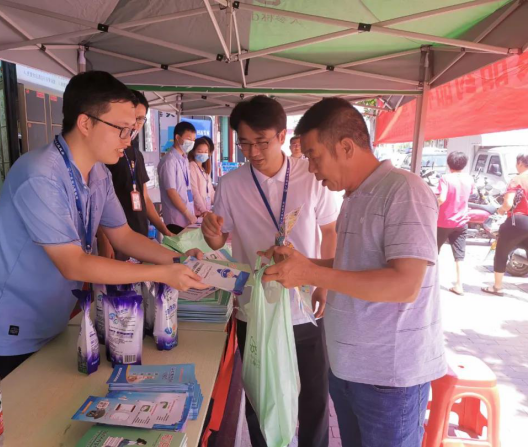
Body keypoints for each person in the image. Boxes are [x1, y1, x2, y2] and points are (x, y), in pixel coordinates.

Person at [0, 71, 205, 379]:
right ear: (86, 123)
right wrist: (160, 272)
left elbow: (123, 235)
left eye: (133, 129)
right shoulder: (41, 175)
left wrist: (178, 261)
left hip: (51, 318)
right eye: (122, 129)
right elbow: (73, 264)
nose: (128, 139)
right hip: (7, 328)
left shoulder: (99, 173)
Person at [259, 98, 446, 447]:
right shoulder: (354, 196)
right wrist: (303, 263)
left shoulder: (405, 191)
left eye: (314, 156)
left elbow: (405, 284)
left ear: (345, 147)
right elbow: (354, 267)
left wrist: (311, 275)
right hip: (349, 370)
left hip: (389, 380)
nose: (311, 168)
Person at [201, 95, 339, 447]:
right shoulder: (232, 184)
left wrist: (324, 285)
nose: (254, 152)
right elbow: (219, 240)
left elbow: (329, 231)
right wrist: (211, 233)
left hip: (304, 305)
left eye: (262, 142)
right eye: (245, 143)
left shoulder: (310, 176)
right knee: (259, 393)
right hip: (255, 308)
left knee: (313, 394)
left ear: (282, 136)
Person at [98, 90, 173, 260]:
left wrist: (164, 229)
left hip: (137, 236)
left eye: (141, 119)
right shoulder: (107, 154)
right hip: (116, 239)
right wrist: (104, 238)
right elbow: (97, 201)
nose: (136, 124)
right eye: (134, 118)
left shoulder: (137, 154)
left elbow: (145, 197)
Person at [482, 153, 528, 296]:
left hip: (518, 221)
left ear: (520, 163)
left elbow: (508, 204)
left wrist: (500, 211)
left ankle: (497, 287)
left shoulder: (517, 179)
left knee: (501, 253)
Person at [436, 151, 475, 296]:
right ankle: (459, 285)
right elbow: (470, 194)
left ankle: (430, 281)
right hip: (461, 222)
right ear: (464, 164)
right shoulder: (469, 178)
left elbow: (442, 198)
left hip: (443, 222)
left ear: (449, 163)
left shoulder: (445, 178)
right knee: (459, 255)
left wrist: (433, 204)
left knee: (433, 251)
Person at [158, 122, 198, 234]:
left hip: (187, 218)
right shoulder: (169, 161)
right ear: (177, 137)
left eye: (194, 140)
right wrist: (187, 214)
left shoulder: (184, 159)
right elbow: (171, 192)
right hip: (175, 219)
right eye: (189, 139)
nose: (192, 143)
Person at [188, 136, 216, 217]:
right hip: (198, 213)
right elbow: (194, 192)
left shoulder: (204, 169)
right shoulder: (192, 166)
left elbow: (211, 192)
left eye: (205, 152)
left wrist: (221, 201)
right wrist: (203, 210)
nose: (203, 154)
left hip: (206, 212)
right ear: (193, 152)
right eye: (200, 151)